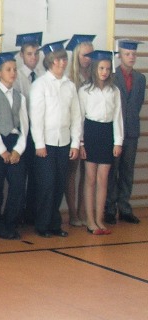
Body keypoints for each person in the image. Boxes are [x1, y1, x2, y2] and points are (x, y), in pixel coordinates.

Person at [29, 40, 81, 238]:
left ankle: (54, 223)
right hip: (46, 144)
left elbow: (76, 116)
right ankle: (42, 224)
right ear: (50, 62)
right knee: (47, 185)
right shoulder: (40, 85)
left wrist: (75, 143)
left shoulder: (70, 86)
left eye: (64, 59)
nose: (62, 63)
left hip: (64, 142)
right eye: (58, 59)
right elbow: (36, 117)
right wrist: (39, 144)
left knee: (60, 184)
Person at [0, 52, 29, 240]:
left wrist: (18, 149)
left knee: (17, 185)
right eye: (8, 69)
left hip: (15, 144)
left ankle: (10, 222)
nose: (13, 73)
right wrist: (2, 150)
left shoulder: (20, 97)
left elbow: (24, 126)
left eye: (15, 69)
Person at [78, 50, 123, 236]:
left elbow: (118, 117)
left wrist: (118, 141)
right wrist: (80, 142)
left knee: (103, 179)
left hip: (107, 133)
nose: (104, 72)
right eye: (101, 68)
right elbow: (80, 118)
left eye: (107, 68)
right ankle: (90, 220)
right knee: (90, 178)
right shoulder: (85, 90)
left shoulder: (114, 91)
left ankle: (99, 218)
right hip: (91, 132)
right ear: (95, 69)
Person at [106, 40, 145, 225]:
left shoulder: (140, 78)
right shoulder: (112, 76)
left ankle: (124, 208)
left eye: (133, 54)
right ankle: (109, 208)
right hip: (114, 132)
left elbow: (137, 104)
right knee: (112, 171)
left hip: (131, 131)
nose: (131, 57)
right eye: (127, 54)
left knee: (127, 171)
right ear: (120, 56)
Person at [64, 34, 95, 228]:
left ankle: (84, 210)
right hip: (74, 132)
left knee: (88, 173)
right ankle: (72, 212)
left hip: (91, 131)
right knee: (71, 173)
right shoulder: (69, 79)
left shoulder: (96, 77)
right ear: (76, 56)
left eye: (91, 55)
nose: (88, 59)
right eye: (84, 55)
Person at [13, 32, 42, 225]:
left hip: (38, 134)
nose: (33, 57)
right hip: (22, 132)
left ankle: (32, 213)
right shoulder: (16, 76)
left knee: (36, 176)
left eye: (36, 53)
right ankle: (17, 214)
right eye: (29, 54)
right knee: (19, 177)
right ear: (22, 55)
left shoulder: (42, 75)